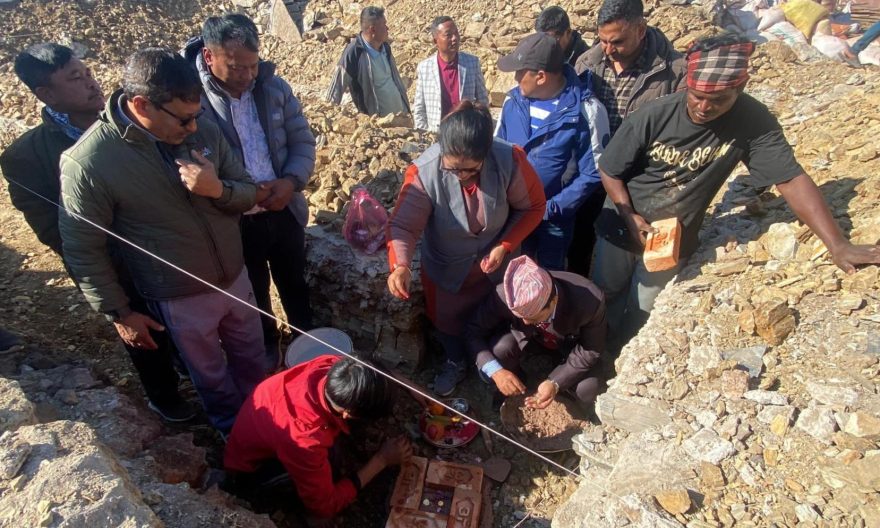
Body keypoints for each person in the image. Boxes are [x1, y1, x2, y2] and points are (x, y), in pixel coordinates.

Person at [594, 33, 880, 343]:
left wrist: (837, 244)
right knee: (605, 291)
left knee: (644, 309)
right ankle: (595, 352)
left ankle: (617, 354)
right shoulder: (655, 115)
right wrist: (629, 216)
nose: (704, 107)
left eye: (718, 100)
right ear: (688, 85)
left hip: (675, 235)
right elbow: (610, 170)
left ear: (740, 88)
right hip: (623, 221)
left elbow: (789, 179)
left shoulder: (752, 122)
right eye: (697, 96)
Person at [59, 47, 268, 434]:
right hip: (179, 296)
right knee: (210, 376)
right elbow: (83, 248)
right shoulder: (90, 162)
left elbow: (247, 191)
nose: (193, 128)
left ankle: (267, 425)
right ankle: (235, 435)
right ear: (142, 104)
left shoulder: (203, 129)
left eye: (197, 115)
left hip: (234, 278)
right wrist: (119, 312)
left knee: (254, 360)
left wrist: (217, 189)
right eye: (184, 119)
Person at [0, 43, 194, 422]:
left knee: (180, 318)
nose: (91, 83)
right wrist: (111, 285)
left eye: (88, 72)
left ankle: (185, 362)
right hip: (112, 263)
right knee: (140, 331)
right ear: (46, 94)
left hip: (166, 247)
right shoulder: (26, 158)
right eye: (75, 78)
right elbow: (55, 231)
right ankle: (164, 398)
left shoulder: (133, 122)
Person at [184, 14, 316, 370]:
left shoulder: (274, 89)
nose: (247, 75)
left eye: (253, 65)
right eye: (236, 67)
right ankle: (267, 349)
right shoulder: (191, 101)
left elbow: (302, 141)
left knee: (295, 283)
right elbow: (192, 169)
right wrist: (242, 194)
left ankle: (307, 345)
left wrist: (291, 182)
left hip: (283, 208)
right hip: (233, 220)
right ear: (209, 56)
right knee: (253, 293)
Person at [386, 101, 546, 396]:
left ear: (486, 153)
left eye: (470, 169)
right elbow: (403, 227)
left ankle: (495, 363)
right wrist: (401, 265)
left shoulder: (508, 160)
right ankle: (455, 361)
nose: (460, 175)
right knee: (448, 322)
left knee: (494, 317)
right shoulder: (424, 172)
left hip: (497, 265)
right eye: (453, 169)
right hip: (447, 268)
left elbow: (533, 207)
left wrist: (505, 245)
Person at [570, 0, 685, 277]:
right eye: (603, 40)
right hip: (590, 174)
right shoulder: (587, 63)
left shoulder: (674, 71)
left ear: (641, 30)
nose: (608, 50)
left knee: (624, 255)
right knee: (580, 243)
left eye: (617, 42)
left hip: (636, 181)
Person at [224, 354, 411, 521]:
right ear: (347, 414)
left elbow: (369, 372)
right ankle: (302, 516)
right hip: (253, 470)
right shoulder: (305, 441)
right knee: (325, 498)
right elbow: (325, 506)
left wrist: (412, 388)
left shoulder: (332, 366)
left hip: (270, 429)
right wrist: (381, 460)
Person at [495, 33, 609, 271]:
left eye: (520, 72)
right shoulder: (512, 103)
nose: (515, 78)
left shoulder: (586, 111)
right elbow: (497, 153)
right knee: (514, 273)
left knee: (550, 277)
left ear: (540, 76)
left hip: (553, 221)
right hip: (515, 215)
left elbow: (593, 172)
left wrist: (552, 208)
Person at [465, 256, 606, 409]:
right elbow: (472, 331)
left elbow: (590, 351)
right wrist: (496, 371)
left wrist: (555, 383)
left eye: (533, 317)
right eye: (521, 316)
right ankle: (515, 384)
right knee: (501, 349)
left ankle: (567, 400)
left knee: (588, 388)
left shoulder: (589, 302)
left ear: (553, 301)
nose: (525, 322)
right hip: (529, 338)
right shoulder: (506, 294)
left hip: (569, 346)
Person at [326, 6, 409, 116]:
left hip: (402, 118)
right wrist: (327, 114)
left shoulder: (385, 47)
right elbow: (335, 90)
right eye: (384, 24)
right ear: (372, 30)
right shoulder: (354, 53)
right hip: (379, 123)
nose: (387, 28)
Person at [412, 16, 489, 132]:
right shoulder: (425, 68)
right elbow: (419, 108)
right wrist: (424, 135)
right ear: (435, 41)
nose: (455, 38)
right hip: (437, 134)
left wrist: (479, 129)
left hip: (465, 133)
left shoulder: (471, 63)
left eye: (456, 33)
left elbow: (482, 101)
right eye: (448, 35)